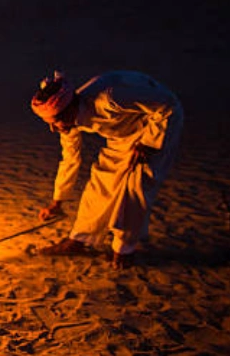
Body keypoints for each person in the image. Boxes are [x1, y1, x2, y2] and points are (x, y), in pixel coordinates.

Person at [30, 70, 183, 269]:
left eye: (55, 122)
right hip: (122, 135)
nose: (53, 129)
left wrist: (149, 142)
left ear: (69, 110)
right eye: (49, 124)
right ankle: (80, 239)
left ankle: (124, 248)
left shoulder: (110, 99)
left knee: (135, 185)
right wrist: (57, 201)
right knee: (101, 182)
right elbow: (70, 158)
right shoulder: (66, 123)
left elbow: (167, 105)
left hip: (156, 123)